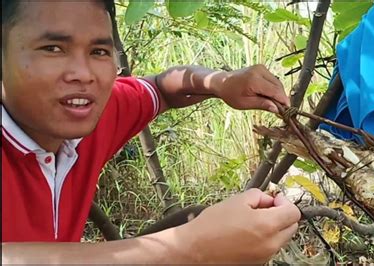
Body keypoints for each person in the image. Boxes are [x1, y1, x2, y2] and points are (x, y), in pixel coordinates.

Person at [1, 0, 301, 264]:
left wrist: (222, 83)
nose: (83, 73)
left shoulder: (93, 113)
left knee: (194, 218)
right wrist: (186, 247)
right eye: (52, 49)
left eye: (99, 51)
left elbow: (162, 87)